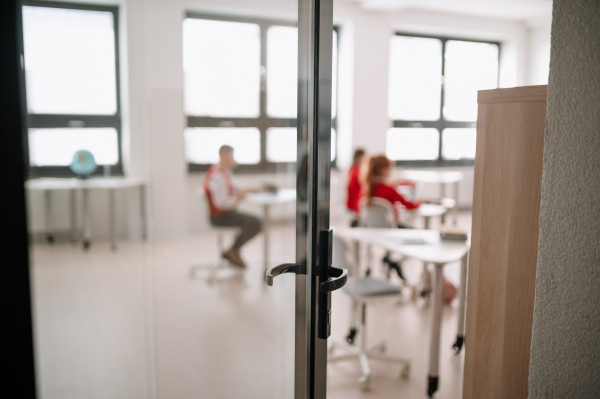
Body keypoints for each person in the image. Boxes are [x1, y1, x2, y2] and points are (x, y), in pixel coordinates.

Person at [203, 145, 262, 268]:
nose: (234, 159)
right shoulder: (217, 176)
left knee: (253, 222)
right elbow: (221, 203)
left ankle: (233, 251)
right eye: (232, 156)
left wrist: (249, 189)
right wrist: (239, 198)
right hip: (220, 217)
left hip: (225, 213)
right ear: (224, 157)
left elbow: (235, 184)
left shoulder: (224, 172)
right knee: (257, 223)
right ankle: (233, 251)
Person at [347, 148, 366, 227]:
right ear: (359, 157)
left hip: (352, 200)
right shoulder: (357, 171)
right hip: (356, 201)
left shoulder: (352, 169)